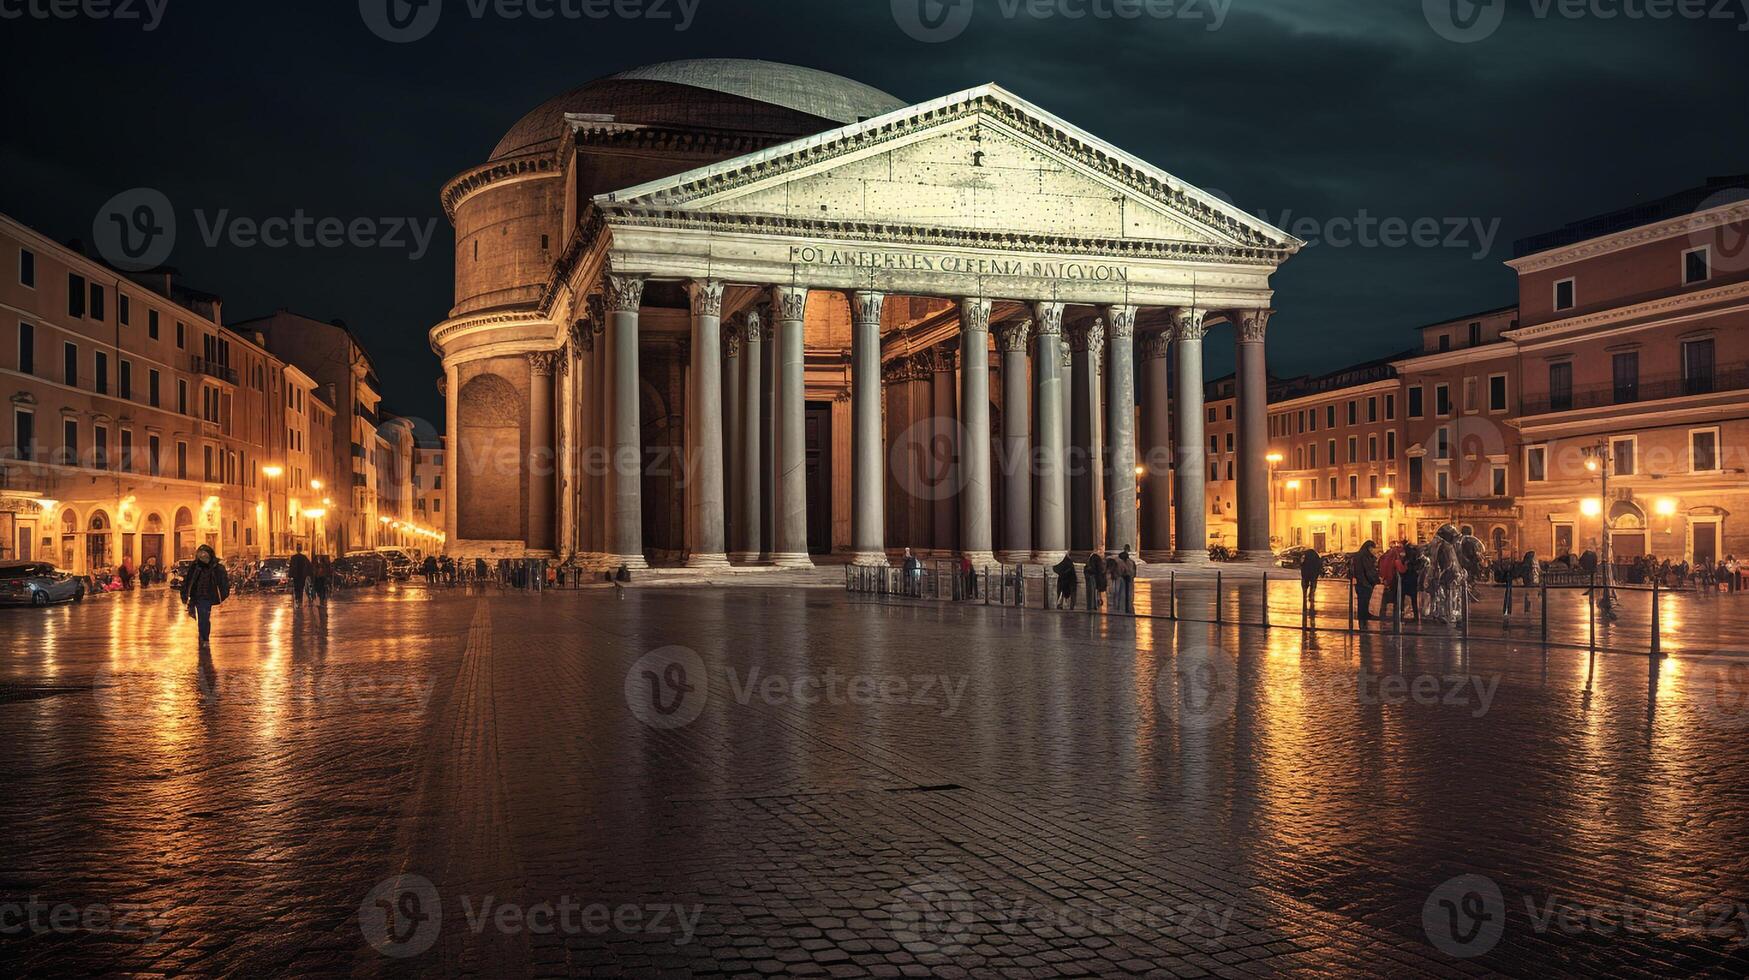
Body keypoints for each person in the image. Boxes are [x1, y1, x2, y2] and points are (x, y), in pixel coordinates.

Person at [179, 544, 231, 646]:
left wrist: (223, 595)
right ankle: (202, 635)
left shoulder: (216, 567)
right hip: (197, 596)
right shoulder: (195, 566)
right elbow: (188, 581)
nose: (203, 557)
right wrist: (185, 595)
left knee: (204, 617)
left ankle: (205, 638)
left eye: (205, 555)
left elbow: (224, 582)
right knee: (201, 617)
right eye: (200, 555)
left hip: (208, 596)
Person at [1351, 540, 1381, 624]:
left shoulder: (1363, 556)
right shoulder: (1363, 556)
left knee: (1364, 600)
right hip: (1364, 582)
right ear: (1369, 548)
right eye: (1373, 548)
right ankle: (1362, 618)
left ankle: (1364, 615)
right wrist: (1372, 581)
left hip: (1364, 582)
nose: (1374, 550)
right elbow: (1366, 570)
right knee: (1363, 600)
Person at [1378, 541, 1405, 623]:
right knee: (1396, 601)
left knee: (1384, 601)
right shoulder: (1395, 558)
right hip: (1393, 583)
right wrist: (1406, 565)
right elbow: (1401, 569)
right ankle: (1396, 619)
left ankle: (1382, 618)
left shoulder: (1383, 557)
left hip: (1385, 582)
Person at [1299, 546, 1323, 617]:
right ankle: (1311, 594)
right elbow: (1319, 564)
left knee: (1305, 584)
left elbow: (1301, 563)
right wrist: (1318, 572)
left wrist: (1302, 571)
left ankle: (1305, 594)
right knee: (1313, 584)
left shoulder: (1305, 556)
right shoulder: (1316, 556)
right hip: (1313, 573)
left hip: (1306, 574)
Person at [1116, 547, 1137, 614]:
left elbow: (1121, 571)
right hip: (1129, 578)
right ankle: (1128, 607)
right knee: (1129, 593)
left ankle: (1126, 607)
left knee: (1124, 593)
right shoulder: (1131, 562)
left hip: (1126, 579)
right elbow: (1134, 571)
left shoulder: (1124, 563)